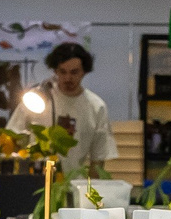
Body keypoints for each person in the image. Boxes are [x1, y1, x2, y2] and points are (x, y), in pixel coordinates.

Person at [31, 41, 114, 174]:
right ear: (55, 71)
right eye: (62, 72)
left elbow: (98, 159)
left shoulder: (96, 107)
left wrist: (89, 191)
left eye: (74, 72)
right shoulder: (37, 99)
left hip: (74, 184)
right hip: (34, 182)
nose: (67, 78)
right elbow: (14, 136)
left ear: (84, 72)